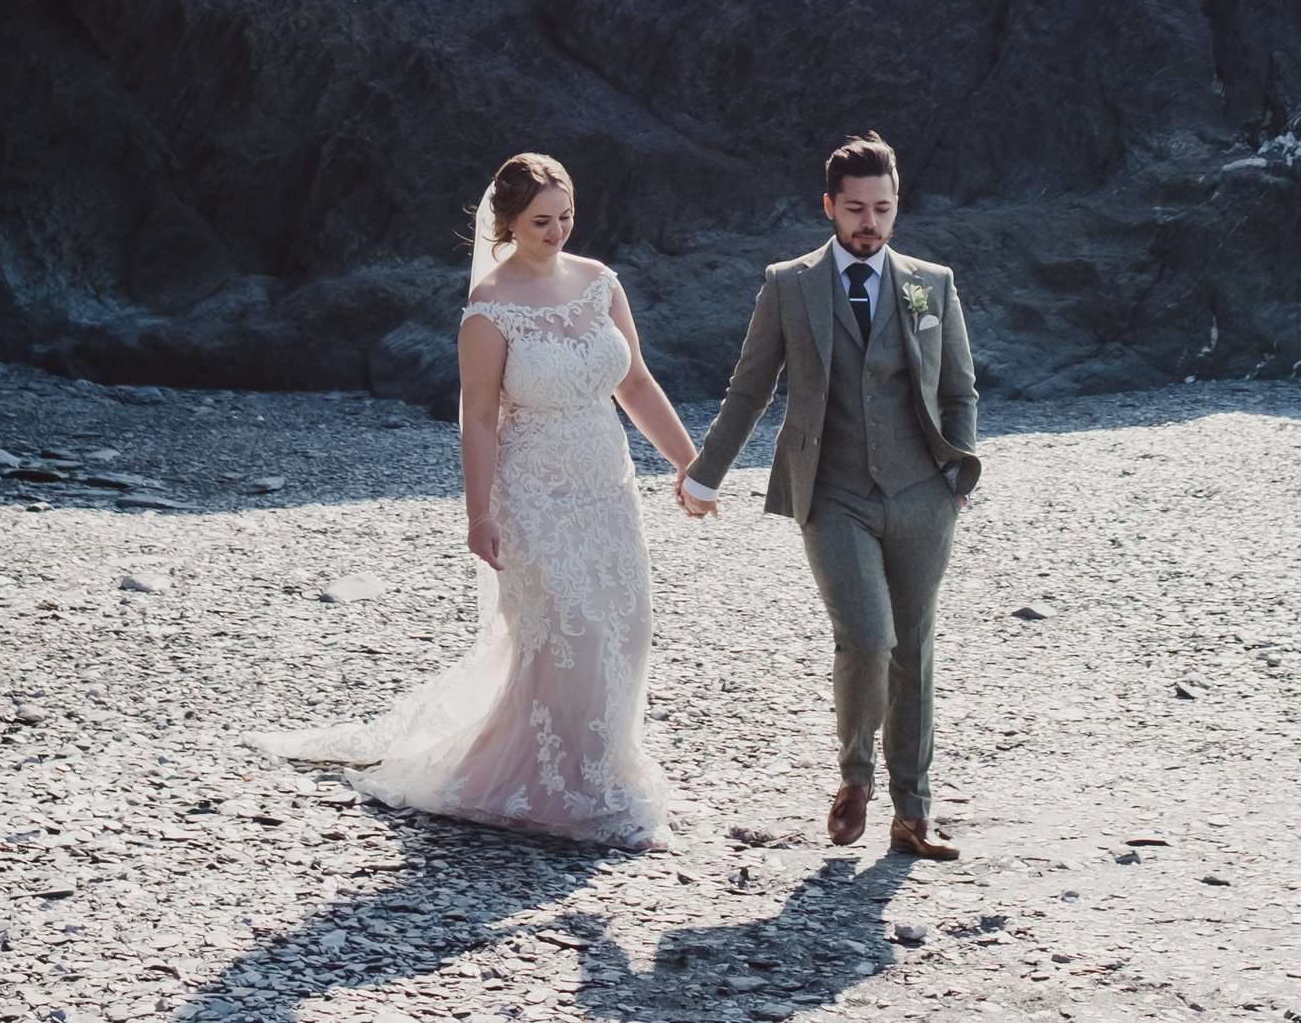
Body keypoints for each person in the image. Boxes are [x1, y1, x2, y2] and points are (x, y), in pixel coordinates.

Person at [260, 152, 705, 847]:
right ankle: (571, 792)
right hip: (533, 493)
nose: (557, 230)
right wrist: (479, 514)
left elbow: (637, 384)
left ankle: (603, 771)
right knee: (570, 631)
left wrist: (688, 464)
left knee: (625, 625)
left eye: (566, 217)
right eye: (541, 221)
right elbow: (481, 418)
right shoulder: (489, 310)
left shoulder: (599, 284)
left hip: (606, 484)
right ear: (507, 222)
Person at [676, 132, 979, 858]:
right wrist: (705, 471)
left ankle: (913, 815)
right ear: (829, 208)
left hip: (921, 495)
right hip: (832, 492)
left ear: (897, 204)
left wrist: (958, 475)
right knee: (869, 639)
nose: (869, 222)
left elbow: (958, 388)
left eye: (882, 208)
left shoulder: (930, 283)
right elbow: (751, 387)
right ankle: (854, 778)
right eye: (855, 209)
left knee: (916, 650)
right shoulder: (789, 285)